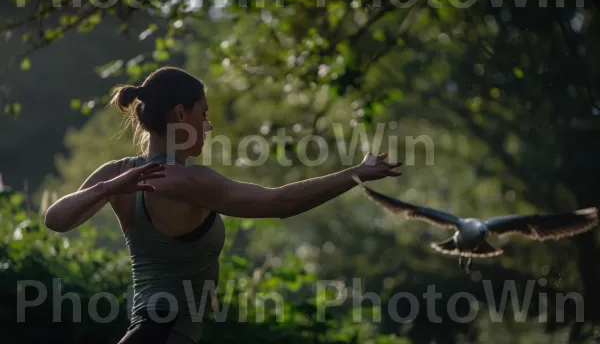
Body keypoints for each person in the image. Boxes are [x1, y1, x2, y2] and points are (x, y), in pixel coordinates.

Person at [43, 66, 403, 344]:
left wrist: (108, 187)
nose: (209, 124)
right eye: (204, 113)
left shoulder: (119, 174)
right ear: (180, 114)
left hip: (153, 329)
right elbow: (279, 203)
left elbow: (55, 219)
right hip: (163, 333)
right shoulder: (188, 181)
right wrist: (357, 173)